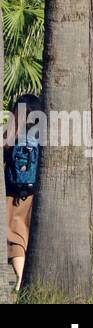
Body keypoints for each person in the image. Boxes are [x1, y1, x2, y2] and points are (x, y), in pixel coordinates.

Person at [4, 94, 43, 289]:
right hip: (37, 190)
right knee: (31, 232)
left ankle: (20, 278)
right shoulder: (42, 133)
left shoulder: (11, 132)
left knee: (14, 235)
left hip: (13, 191)